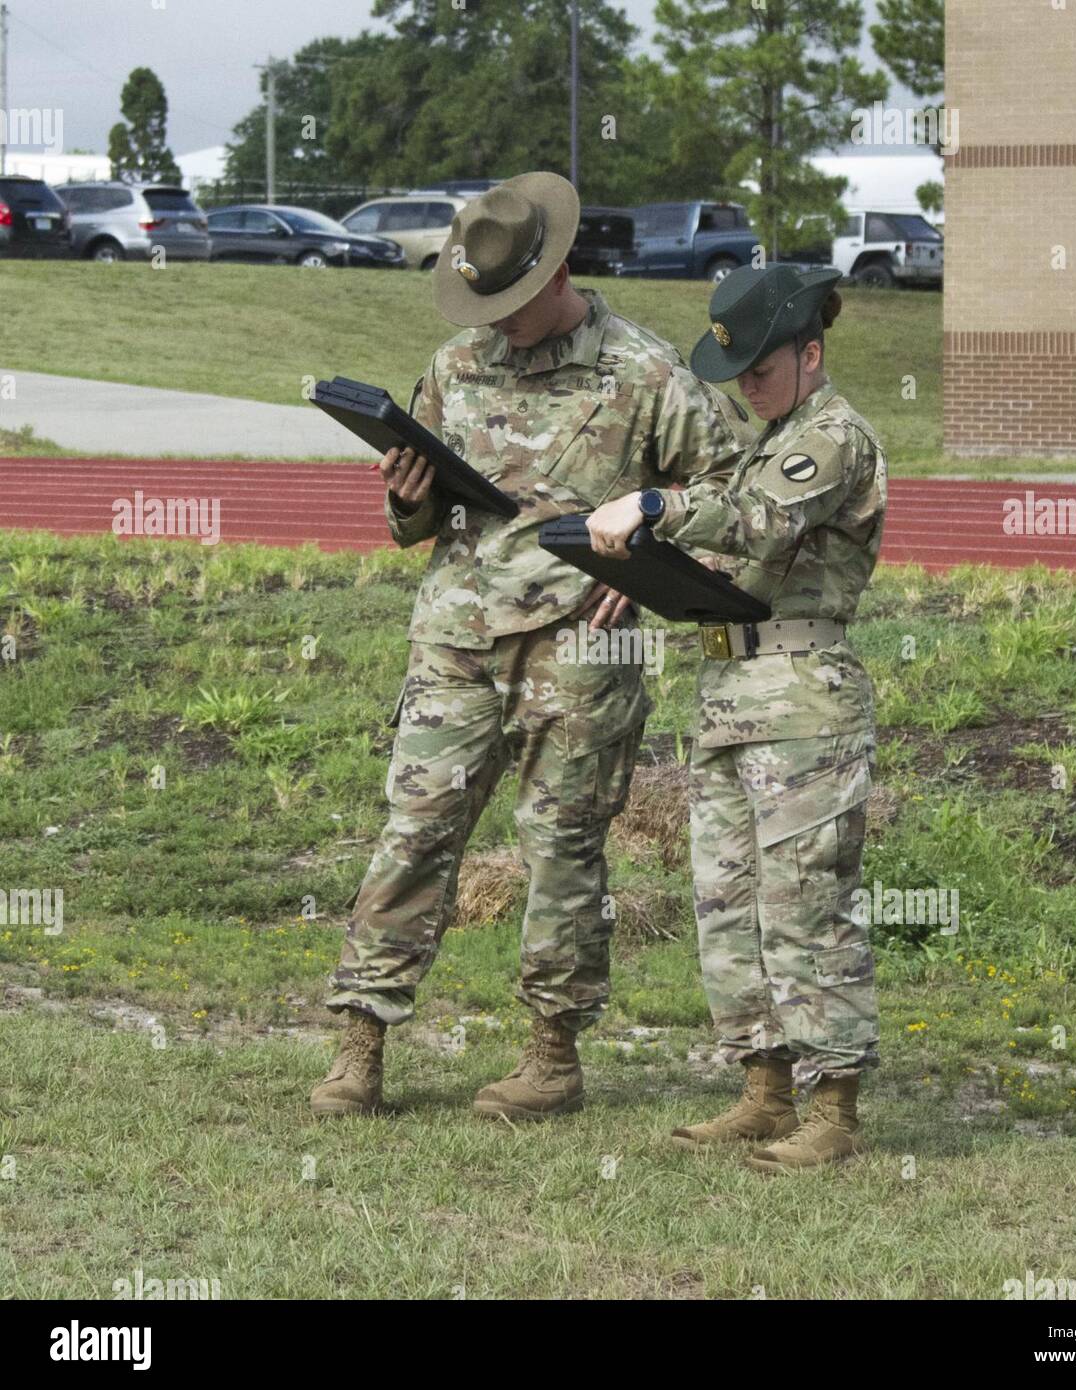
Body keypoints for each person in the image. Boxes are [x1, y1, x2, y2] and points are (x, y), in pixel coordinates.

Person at [310, 172, 752, 1122]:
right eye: (482, 305)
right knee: (414, 834)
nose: (495, 324)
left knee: (562, 852)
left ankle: (551, 1058)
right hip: (456, 636)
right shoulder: (457, 364)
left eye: (509, 305)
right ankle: (361, 1042)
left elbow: (730, 495)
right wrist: (406, 490)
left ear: (555, 274)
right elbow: (421, 523)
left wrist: (639, 558)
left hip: (578, 652)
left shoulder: (644, 374)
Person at [584, 264, 887, 1170]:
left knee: (804, 907)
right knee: (730, 907)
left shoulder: (830, 438)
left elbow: (752, 521)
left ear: (811, 353)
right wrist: (648, 576)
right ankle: (763, 1088)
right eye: (738, 373)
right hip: (731, 698)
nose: (747, 387)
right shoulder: (775, 435)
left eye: (760, 369)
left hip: (801, 702)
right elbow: (737, 568)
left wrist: (653, 503)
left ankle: (830, 1110)